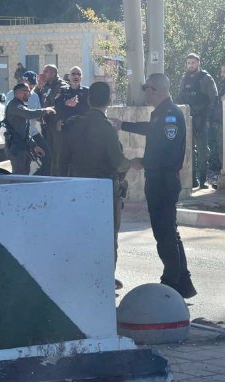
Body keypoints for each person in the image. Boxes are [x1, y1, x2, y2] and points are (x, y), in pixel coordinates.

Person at [114, 73, 197, 298]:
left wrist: (143, 162)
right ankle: (183, 282)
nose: (145, 93)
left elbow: (167, 154)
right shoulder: (161, 114)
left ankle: (170, 282)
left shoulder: (171, 116)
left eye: (147, 89)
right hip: (159, 179)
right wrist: (123, 125)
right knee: (168, 232)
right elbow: (150, 129)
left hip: (164, 180)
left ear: (156, 90)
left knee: (165, 233)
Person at [59, 82, 129, 290]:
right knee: (108, 237)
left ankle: (83, 276)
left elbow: (61, 162)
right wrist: (133, 163)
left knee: (83, 234)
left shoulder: (73, 125)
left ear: (88, 101)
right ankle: (105, 278)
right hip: (105, 191)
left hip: (78, 190)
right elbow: (118, 163)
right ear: (109, 101)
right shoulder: (106, 128)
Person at [176, 53, 217, 189]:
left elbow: (213, 99)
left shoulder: (206, 79)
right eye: (188, 63)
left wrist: (208, 118)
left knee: (203, 150)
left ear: (199, 63)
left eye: (193, 63)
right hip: (188, 118)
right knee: (189, 149)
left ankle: (203, 180)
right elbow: (180, 97)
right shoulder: (184, 78)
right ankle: (193, 180)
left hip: (202, 118)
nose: (191, 65)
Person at [4, 83, 55, 174]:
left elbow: (25, 133)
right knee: (18, 175)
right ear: (19, 93)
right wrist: (45, 110)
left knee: (25, 173)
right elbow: (29, 114)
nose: (30, 94)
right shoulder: (14, 106)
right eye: (28, 91)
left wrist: (35, 146)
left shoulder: (20, 105)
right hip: (16, 148)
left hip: (23, 146)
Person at [37, 64, 68, 175]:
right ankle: (49, 174)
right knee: (48, 151)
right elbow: (38, 100)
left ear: (53, 73)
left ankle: (57, 175)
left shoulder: (61, 86)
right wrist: (39, 85)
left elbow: (57, 103)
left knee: (57, 152)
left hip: (56, 123)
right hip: (46, 124)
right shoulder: (45, 86)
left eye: (46, 71)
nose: (43, 73)